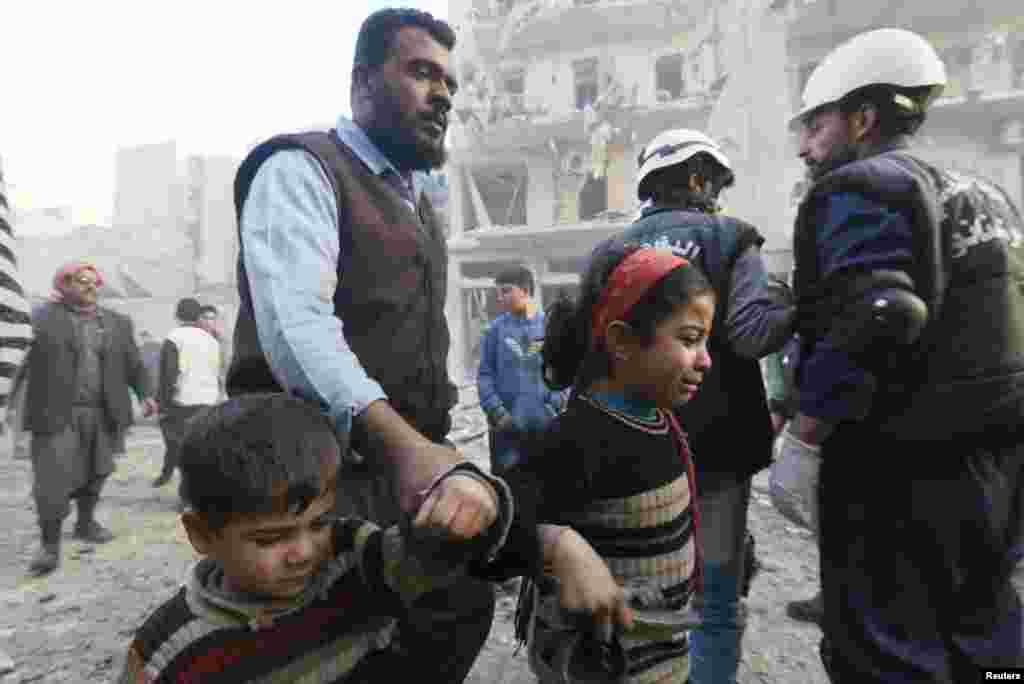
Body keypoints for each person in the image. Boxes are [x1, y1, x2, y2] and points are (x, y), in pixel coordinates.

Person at [225, 8, 507, 681]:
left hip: (394, 476)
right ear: (361, 83)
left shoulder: (415, 200)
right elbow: (297, 329)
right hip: (306, 488)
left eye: (450, 83)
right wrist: (407, 448)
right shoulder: (301, 168)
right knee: (321, 653)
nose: (442, 94)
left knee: (440, 617)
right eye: (420, 72)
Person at [780, 27, 1024, 682]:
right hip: (996, 472)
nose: (805, 147)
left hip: (899, 472)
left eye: (815, 126)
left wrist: (805, 439)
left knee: (886, 654)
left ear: (862, 118)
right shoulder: (986, 193)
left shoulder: (859, 185)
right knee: (986, 644)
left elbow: (881, 313)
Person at [118, 393, 631, 683]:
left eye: (317, 522)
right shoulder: (168, 651)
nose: (304, 552)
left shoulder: (351, 559)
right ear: (202, 534)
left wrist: (548, 541)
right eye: (270, 539)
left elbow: (441, 553)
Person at [598, 129, 794, 683]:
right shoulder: (731, 237)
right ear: (696, 178)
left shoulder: (614, 251)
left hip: (632, 446)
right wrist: (793, 301)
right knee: (715, 595)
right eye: (715, 184)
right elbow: (754, 334)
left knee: (639, 588)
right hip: (719, 449)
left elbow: (580, 359)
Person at [510, 244, 713, 683]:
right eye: (690, 339)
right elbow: (501, 525)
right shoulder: (577, 439)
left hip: (663, 662)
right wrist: (555, 544)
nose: (706, 359)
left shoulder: (663, 422)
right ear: (621, 342)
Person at [23, 262, 157, 575]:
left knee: (97, 471)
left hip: (103, 412)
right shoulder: (40, 320)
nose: (90, 287)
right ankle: (49, 545)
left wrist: (145, 393)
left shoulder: (117, 323)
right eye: (81, 281)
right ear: (62, 285)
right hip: (55, 413)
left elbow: (134, 364)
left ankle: (85, 523)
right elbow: (17, 355)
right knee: (52, 479)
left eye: (94, 281)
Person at [477, 265, 564, 477]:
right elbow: (485, 376)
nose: (500, 298)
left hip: (546, 426)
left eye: (506, 291)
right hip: (507, 430)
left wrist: (555, 402)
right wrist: (498, 413)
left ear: (525, 290)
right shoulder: (494, 332)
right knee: (509, 492)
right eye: (498, 293)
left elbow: (564, 371)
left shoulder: (550, 327)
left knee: (550, 486)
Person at [152, 298, 222, 491]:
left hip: (182, 401)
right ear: (199, 316)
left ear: (177, 316)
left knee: (180, 448)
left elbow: (168, 374)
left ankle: (186, 494)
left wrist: (162, 403)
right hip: (207, 399)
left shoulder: (174, 338)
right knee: (200, 449)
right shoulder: (212, 340)